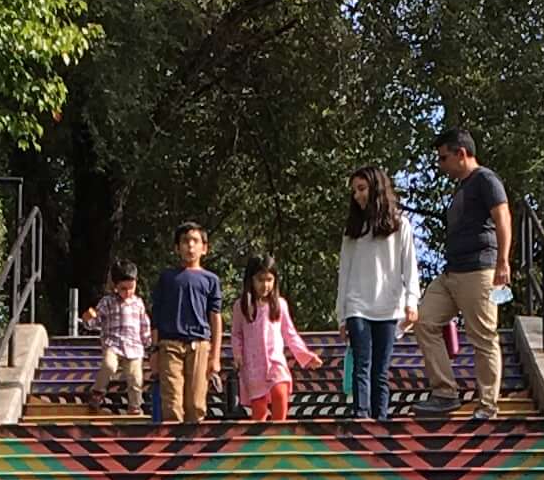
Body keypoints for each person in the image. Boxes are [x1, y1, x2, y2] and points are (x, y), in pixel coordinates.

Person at [414, 123, 512, 417]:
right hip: (452, 272)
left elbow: (503, 216)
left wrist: (503, 262)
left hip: (479, 270)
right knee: (425, 321)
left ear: (461, 153)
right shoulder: (463, 187)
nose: (440, 164)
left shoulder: (485, 179)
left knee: (483, 336)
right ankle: (445, 392)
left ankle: (487, 404)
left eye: (443, 158)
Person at [333, 164, 419, 422]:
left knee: (380, 370)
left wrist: (412, 301)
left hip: (388, 307)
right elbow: (344, 274)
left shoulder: (400, 226)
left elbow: (409, 267)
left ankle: (381, 419)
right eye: (354, 191)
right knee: (362, 363)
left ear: (376, 188)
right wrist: (341, 316)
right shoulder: (352, 232)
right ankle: (361, 415)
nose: (358, 195)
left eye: (362, 189)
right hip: (357, 306)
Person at [227, 254, 314, 422]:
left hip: (275, 362)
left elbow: (290, 333)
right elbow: (237, 334)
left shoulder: (279, 304)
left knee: (280, 393)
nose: (265, 285)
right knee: (258, 411)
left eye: (269, 280)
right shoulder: (242, 306)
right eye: (260, 280)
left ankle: (279, 433)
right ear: (250, 280)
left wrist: (305, 355)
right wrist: (237, 355)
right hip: (253, 365)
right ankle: (260, 443)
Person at [154, 221, 221, 424]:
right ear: (177, 248)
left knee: (196, 403)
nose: (190, 246)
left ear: (204, 248)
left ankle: (194, 451)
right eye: (185, 242)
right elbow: (156, 315)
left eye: (195, 241)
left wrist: (215, 356)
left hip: (199, 345)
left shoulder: (211, 280)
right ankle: (173, 450)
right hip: (170, 345)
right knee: (172, 402)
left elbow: (215, 318)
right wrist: (154, 351)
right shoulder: (167, 278)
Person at [93, 257, 150, 412]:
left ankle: (135, 406)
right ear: (115, 286)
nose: (128, 292)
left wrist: (148, 341)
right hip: (113, 344)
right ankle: (97, 393)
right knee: (109, 366)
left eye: (131, 288)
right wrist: (89, 319)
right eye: (123, 289)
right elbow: (96, 320)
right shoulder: (108, 301)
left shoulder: (138, 302)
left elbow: (144, 323)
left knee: (136, 378)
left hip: (134, 347)